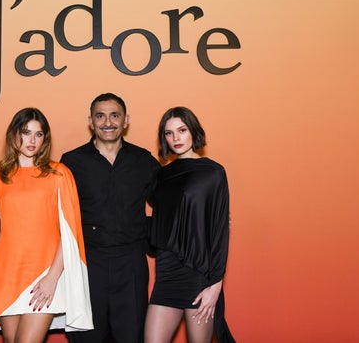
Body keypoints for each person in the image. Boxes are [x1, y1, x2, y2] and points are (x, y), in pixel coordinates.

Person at [0, 107, 93, 343]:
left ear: (45, 139)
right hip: (6, 276)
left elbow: (69, 233)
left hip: (44, 275)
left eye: (38, 134)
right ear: (14, 135)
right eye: (26, 132)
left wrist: (52, 278)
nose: (32, 140)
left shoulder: (59, 174)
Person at [61, 93, 161, 343]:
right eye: (100, 116)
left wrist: (206, 216)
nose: (108, 122)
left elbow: (169, 203)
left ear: (126, 120)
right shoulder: (71, 162)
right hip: (87, 263)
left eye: (115, 115)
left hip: (131, 263)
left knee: (132, 335)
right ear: (91, 121)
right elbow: (57, 213)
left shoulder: (143, 160)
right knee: (86, 336)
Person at [145, 107, 235, 343]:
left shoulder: (213, 172)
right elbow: (162, 220)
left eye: (182, 130)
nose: (176, 138)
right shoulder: (161, 176)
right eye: (169, 133)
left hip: (198, 273)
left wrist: (215, 287)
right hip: (166, 271)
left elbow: (219, 231)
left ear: (193, 131)